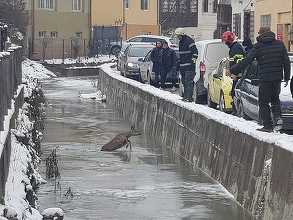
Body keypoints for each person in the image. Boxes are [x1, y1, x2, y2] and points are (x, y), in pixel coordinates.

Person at [231, 27, 291, 132]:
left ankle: (267, 125)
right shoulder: (280, 44)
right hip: (277, 78)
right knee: (275, 99)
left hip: (265, 78)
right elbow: (286, 62)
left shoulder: (258, 46)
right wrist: (286, 77)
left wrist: (234, 70)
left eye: (259, 33)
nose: (258, 35)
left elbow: (247, 60)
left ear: (262, 34)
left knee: (263, 102)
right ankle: (278, 118)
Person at [222, 31, 246, 114]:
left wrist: (235, 73)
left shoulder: (236, 48)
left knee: (235, 93)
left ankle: (236, 112)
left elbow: (239, 62)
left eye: (226, 42)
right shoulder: (234, 47)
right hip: (236, 75)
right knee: (233, 92)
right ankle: (235, 111)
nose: (225, 44)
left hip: (239, 76)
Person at [175, 28, 198, 102]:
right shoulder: (181, 42)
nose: (178, 37)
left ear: (183, 34)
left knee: (189, 82)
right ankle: (185, 97)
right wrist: (178, 64)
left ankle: (189, 98)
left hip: (189, 67)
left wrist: (192, 62)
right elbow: (181, 55)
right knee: (184, 82)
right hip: (183, 67)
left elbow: (195, 53)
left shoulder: (189, 41)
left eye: (179, 36)